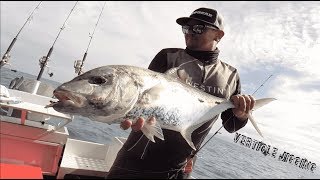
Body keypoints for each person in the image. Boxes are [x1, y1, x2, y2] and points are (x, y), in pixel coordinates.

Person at [106, 7, 255, 179]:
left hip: (179, 170)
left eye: (198, 28)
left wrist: (242, 115)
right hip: (134, 163)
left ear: (218, 35)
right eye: (186, 28)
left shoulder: (230, 75)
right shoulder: (168, 56)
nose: (190, 32)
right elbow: (142, 100)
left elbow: (231, 125)